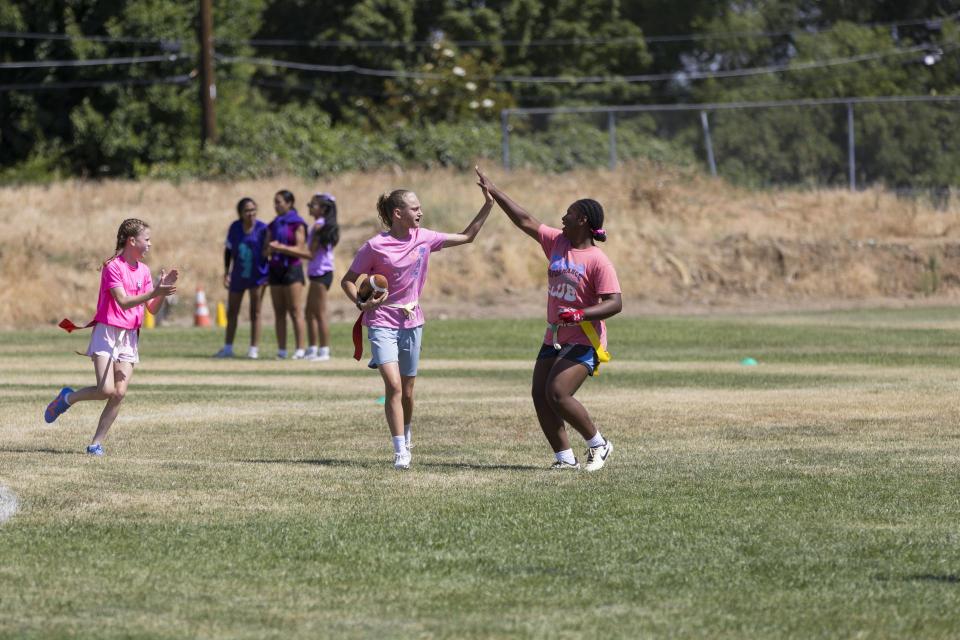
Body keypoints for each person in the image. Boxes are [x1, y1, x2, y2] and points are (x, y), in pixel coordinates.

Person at [475, 167, 622, 472]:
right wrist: (495, 190)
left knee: (557, 393)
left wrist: (580, 313)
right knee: (540, 396)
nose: (562, 217)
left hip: (584, 338)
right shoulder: (557, 242)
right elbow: (525, 220)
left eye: (569, 214)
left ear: (583, 220)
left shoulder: (597, 260)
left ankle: (599, 444)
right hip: (554, 336)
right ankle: (564, 459)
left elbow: (615, 303)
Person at [341, 180, 493, 469]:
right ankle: (400, 451)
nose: (421, 212)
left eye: (420, 208)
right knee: (394, 386)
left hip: (412, 321)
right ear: (398, 213)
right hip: (381, 320)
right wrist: (361, 304)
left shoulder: (424, 237)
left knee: (408, 390)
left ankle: (406, 434)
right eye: (415, 208)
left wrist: (488, 204)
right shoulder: (375, 246)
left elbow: (467, 236)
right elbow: (348, 280)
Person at [44, 218, 179, 456]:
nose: (150, 244)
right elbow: (123, 302)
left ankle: (96, 443)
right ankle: (68, 398)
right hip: (107, 331)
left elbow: (152, 309)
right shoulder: (112, 266)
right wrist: (155, 291)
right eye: (146, 239)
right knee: (105, 389)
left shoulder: (145, 271)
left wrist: (161, 292)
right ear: (132, 240)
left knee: (119, 392)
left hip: (129, 336)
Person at [272, 192, 340, 361]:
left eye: (313, 205)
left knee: (319, 313)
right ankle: (312, 349)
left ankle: (324, 351)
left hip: (321, 273)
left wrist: (281, 248)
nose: (309, 207)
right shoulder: (319, 224)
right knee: (309, 312)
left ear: (323, 209)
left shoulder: (319, 226)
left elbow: (309, 254)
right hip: (317, 273)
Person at [213, 197, 269, 359]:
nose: (250, 213)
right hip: (238, 274)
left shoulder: (263, 228)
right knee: (232, 312)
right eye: (247, 210)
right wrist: (226, 272)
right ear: (240, 213)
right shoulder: (235, 227)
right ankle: (228, 348)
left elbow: (267, 252)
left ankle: (253, 349)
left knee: (255, 312)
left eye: (253, 210)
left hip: (258, 276)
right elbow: (228, 251)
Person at [264, 189, 308, 359]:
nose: (276, 205)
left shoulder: (297, 223)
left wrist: (281, 248)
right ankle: (281, 350)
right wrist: (269, 249)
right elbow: (265, 249)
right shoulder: (273, 224)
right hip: (275, 268)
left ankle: (300, 349)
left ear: (289, 203)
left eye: (279, 202)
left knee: (295, 310)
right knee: (279, 311)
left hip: (292, 268)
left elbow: (301, 249)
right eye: (275, 202)